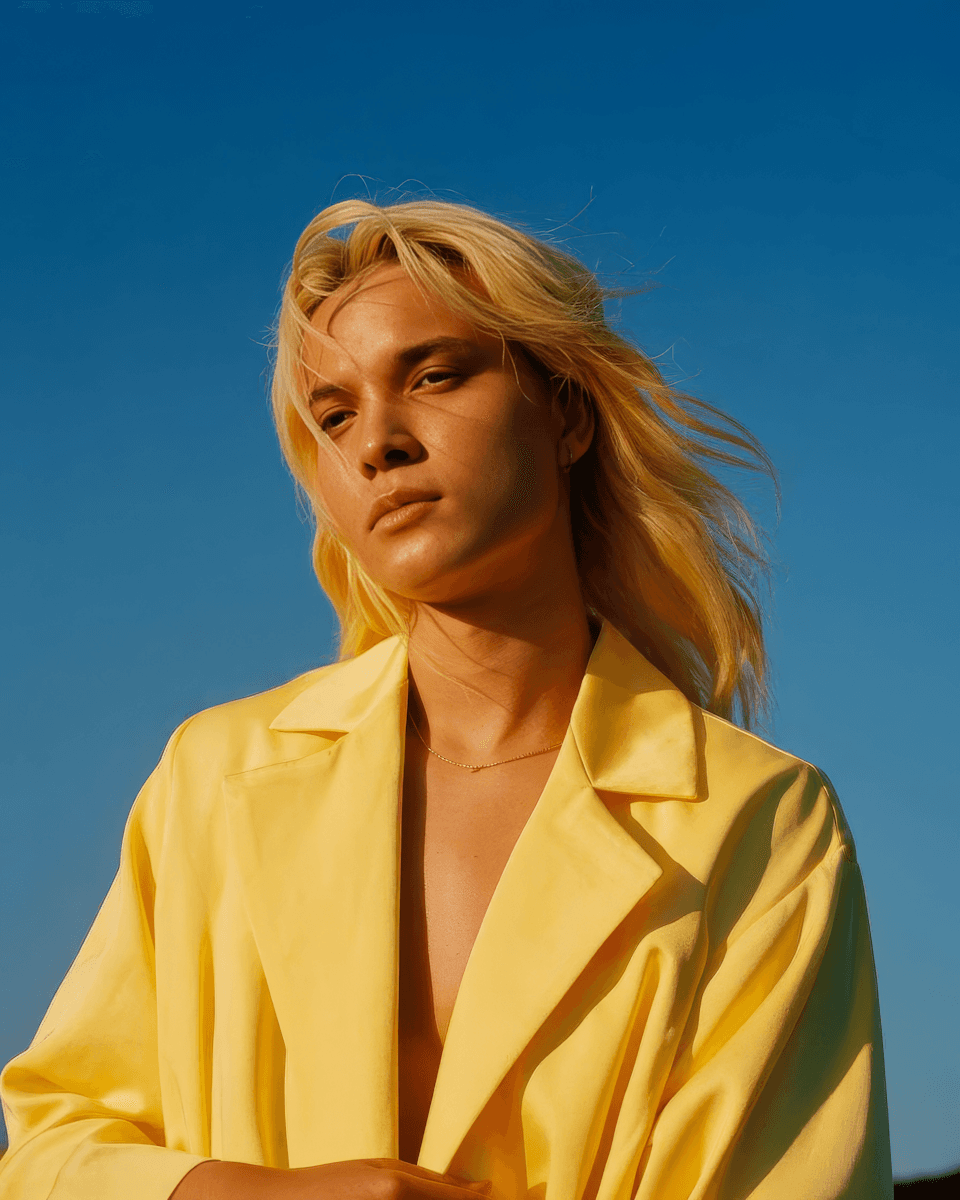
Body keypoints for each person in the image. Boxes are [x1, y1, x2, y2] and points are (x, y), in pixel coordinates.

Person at [0, 199, 893, 1200]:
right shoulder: (219, 776)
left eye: (432, 375)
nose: (377, 442)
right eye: (334, 416)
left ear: (567, 414)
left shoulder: (757, 822)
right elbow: (46, 1155)